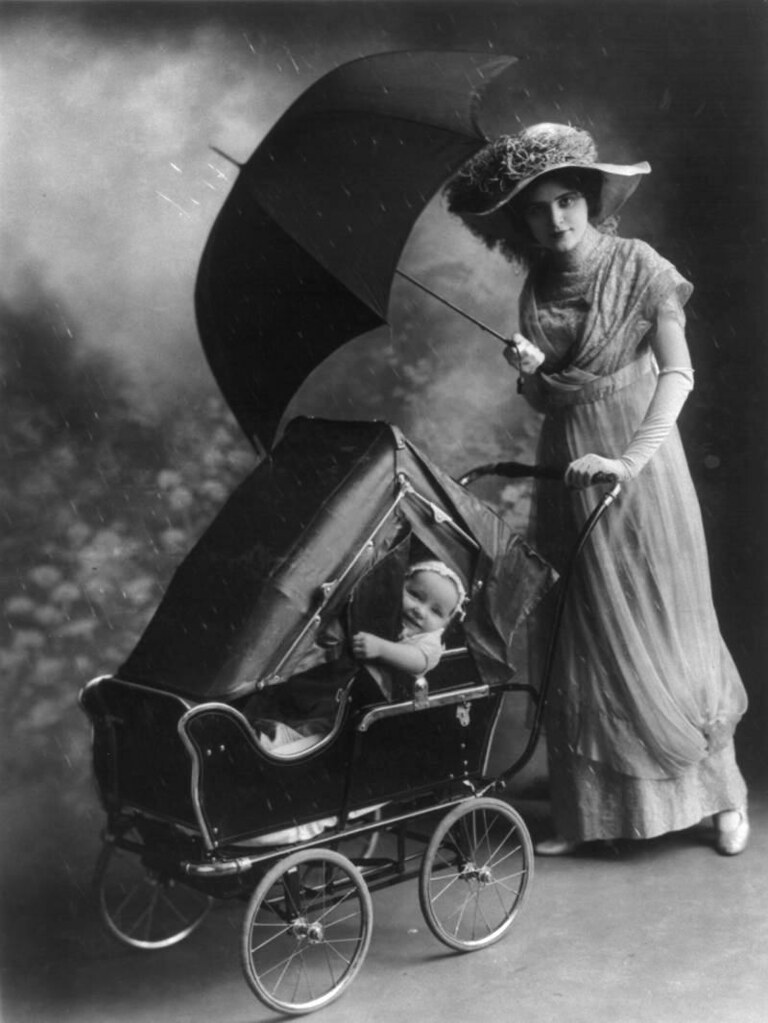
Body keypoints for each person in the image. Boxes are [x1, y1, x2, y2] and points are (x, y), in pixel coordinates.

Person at [444, 122, 749, 856]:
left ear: (589, 199)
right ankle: (597, 815)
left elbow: (677, 374)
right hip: (568, 460)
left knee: (664, 617)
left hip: (641, 460)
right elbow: (552, 401)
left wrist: (631, 460)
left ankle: (721, 797)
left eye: (567, 200)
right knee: (585, 628)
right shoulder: (534, 287)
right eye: (538, 209)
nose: (556, 219)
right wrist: (529, 370)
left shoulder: (640, 264)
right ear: (519, 222)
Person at [352, 559, 467, 689]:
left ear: (446, 623)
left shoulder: (430, 640)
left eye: (435, 611)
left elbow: (418, 661)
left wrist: (380, 648)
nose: (420, 611)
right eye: (415, 595)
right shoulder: (388, 604)